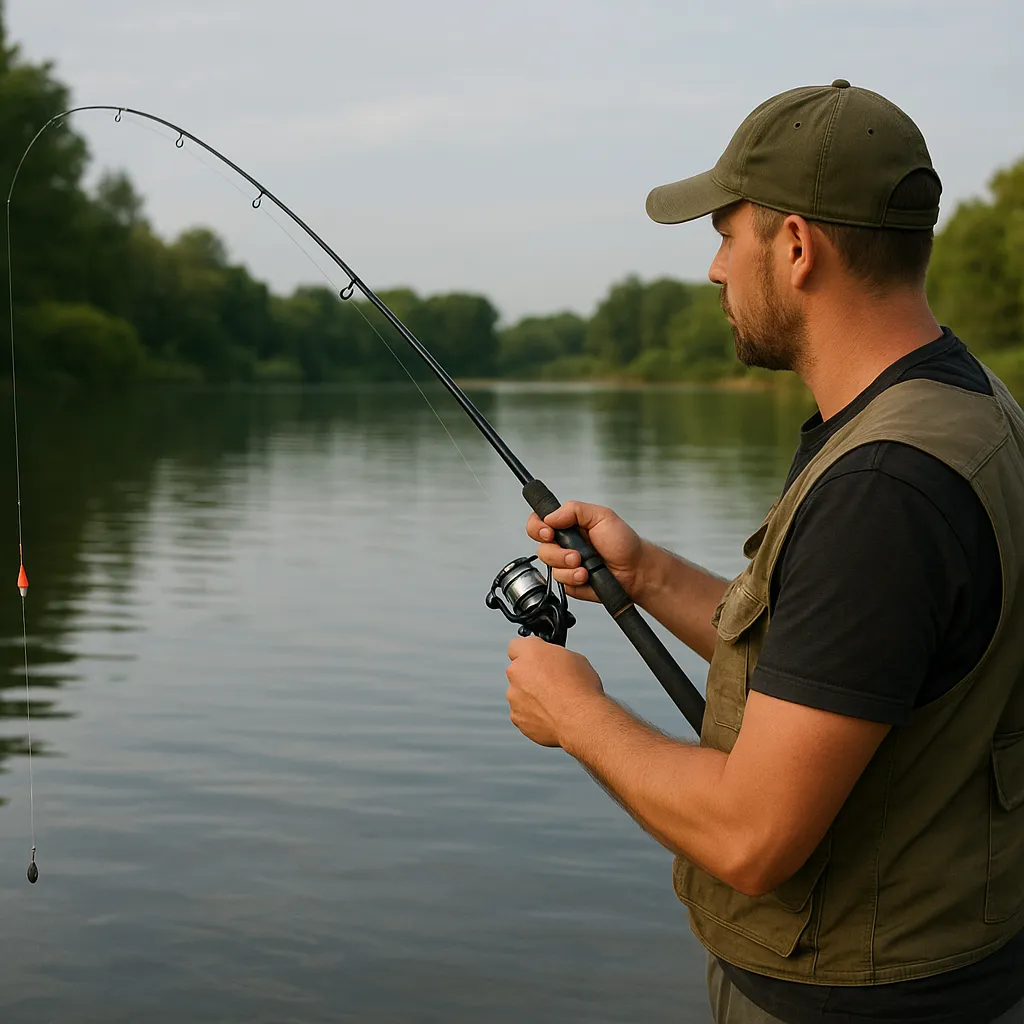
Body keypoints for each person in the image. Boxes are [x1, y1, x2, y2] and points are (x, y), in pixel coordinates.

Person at [504, 80, 1024, 1024]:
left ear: (794, 247)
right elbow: (843, 668)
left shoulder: (886, 489)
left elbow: (753, 835)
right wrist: (650, 574)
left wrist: (574, 713)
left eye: (725, 233)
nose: (712, 269)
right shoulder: (967, 408)